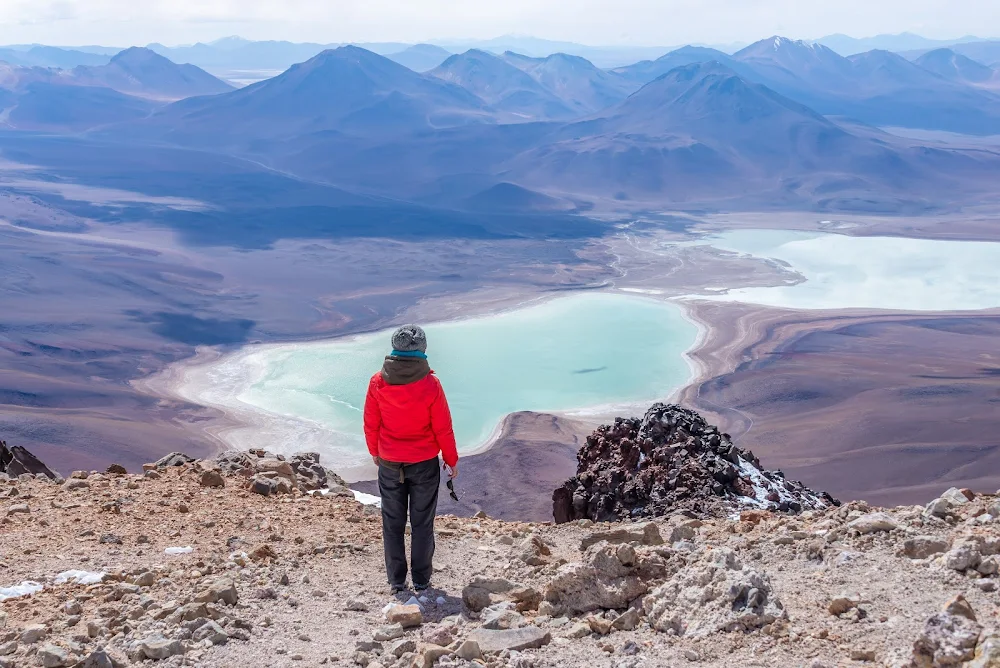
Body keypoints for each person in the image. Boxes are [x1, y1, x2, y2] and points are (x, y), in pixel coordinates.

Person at [363, 324, 459, 593]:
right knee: (422, 523)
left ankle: (396, 581)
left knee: (392, 523)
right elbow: (443, 427)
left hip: (390, 463)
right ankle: (421, 579)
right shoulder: (431, 384)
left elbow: (371, 423)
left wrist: (375, 452)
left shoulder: (377, 382)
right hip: (424, 464)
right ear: (423, 351)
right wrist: (451, 459)